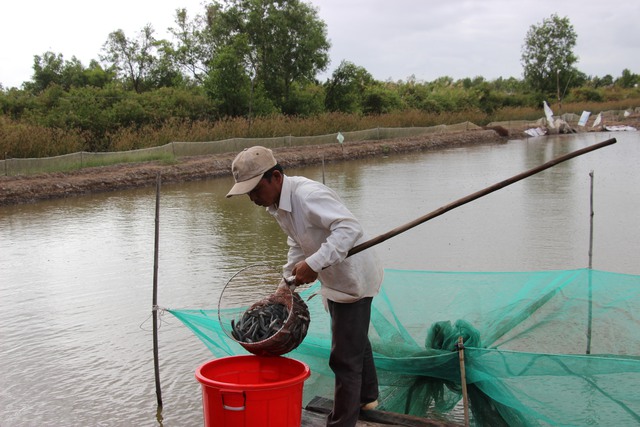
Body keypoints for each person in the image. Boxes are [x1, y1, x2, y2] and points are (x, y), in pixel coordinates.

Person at [226, 145, 384, 426]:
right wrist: (285, 284)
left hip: (353, 277)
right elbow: (297, 245)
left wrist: (315, 263)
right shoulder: (278, 206)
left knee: (344, 358)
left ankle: (343, 421)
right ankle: (368, 396)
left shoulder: (308, 195)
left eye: (255, 190)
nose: (252, 198)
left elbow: (349, 228)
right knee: (354, 338)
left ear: (275, 177)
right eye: (247, 192)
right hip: (334, 277)